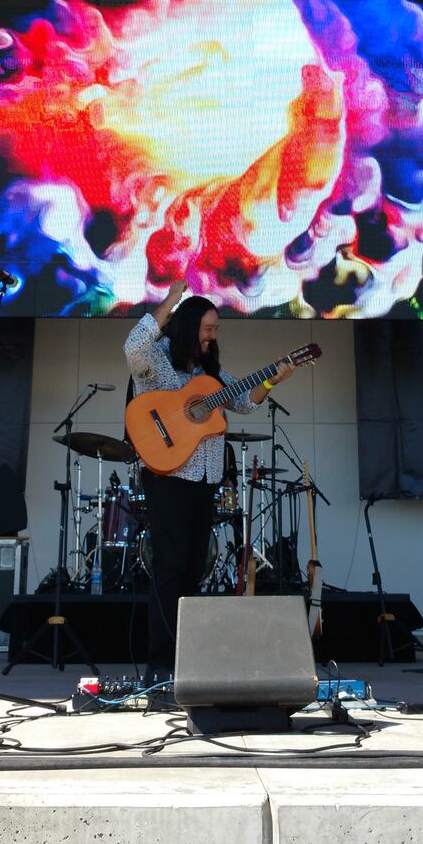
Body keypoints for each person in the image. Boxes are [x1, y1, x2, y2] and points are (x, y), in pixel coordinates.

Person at [124, 280, 293, 687]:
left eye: (215, 329)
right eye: (208, 328)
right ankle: (159, 663)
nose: (212, 336)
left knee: (193, 568)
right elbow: (132, 346)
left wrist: (275, 378)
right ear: (187, 326)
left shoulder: (210, 375)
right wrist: (171, 299)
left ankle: (187, 655)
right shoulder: (157, 361)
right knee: (168, 567)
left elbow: (246, 402)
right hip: (169, 475)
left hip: (205, 479)